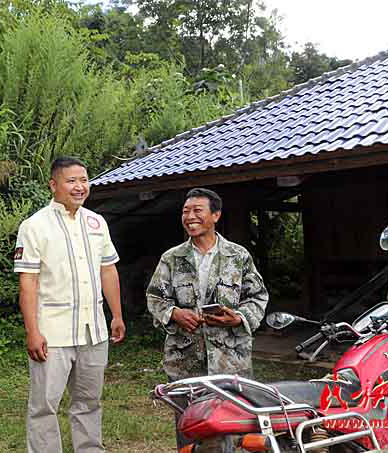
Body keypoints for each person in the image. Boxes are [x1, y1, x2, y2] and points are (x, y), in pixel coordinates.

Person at [14, 156, 126, 453]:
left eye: (84, 180)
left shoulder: (96, 222)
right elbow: (28, 282)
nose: (79, 187)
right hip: (52, 333)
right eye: (71, 181)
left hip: (93, 330)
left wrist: (116, 314)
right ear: (53, 185)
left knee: (89, 401)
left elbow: (108, 270)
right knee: (44, 406)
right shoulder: (34, 226)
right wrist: (32, 331)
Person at [146, 187, 269, 452]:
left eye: (197, 210)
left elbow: (258, 297)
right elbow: (155, 298)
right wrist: (175, 314)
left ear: (215, 215)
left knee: (233, 424)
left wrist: (238, 318)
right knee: (189, 426)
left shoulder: (238, 256)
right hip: (185, 361)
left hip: (230, 361)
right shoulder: (172, 258)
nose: (190, 216)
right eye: (185, 211)